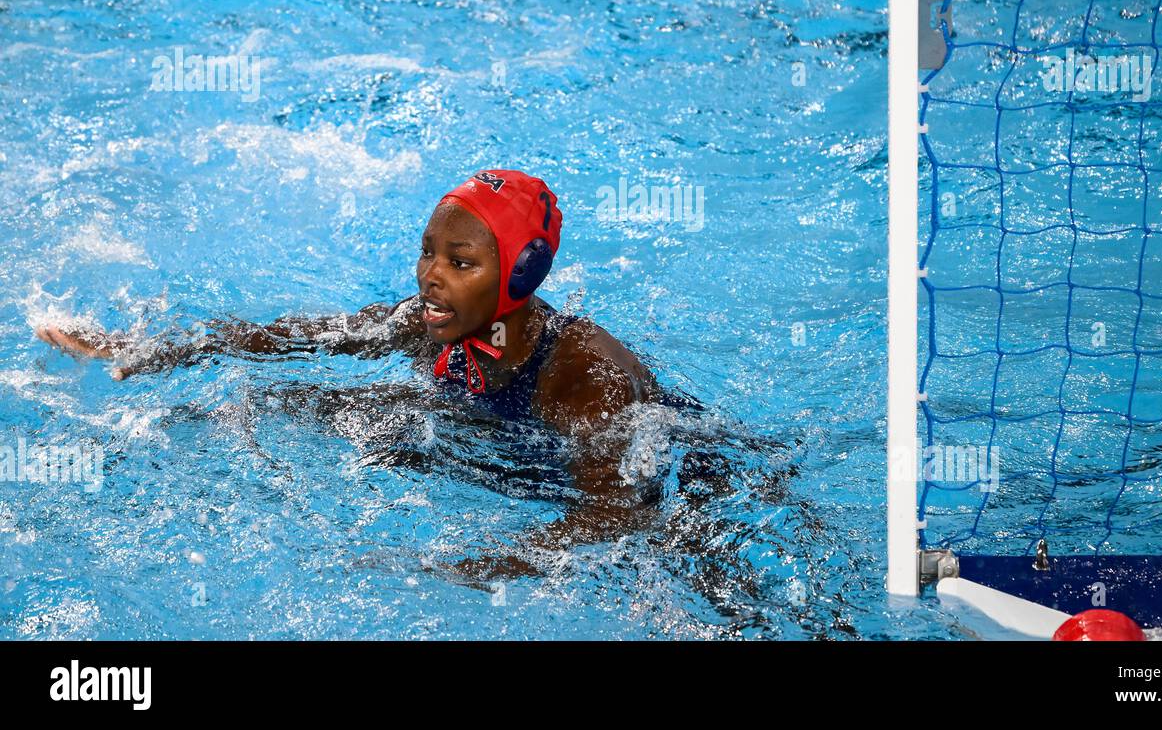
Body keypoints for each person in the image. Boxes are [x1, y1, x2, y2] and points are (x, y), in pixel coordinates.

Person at [35, 169, 701, 579]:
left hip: (681, 485)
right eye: (427, 252)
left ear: (519, 273)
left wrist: (470, 567)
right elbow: (293, 337)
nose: (430, 275)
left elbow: (616, 519)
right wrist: (146, 346)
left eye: (460, 261)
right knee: (301, 404)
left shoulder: (587, 381)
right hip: (503, 440)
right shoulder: (430, 318)